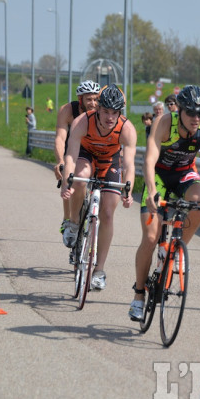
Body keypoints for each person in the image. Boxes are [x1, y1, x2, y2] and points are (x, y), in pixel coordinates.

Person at [128, 85, 200, 321]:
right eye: (192, 112)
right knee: (151, 238)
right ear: (180, 110)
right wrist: (152, 191)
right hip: (160, 177)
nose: (197, 118)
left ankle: (179, 249)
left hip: (184, 175)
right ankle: (139, 295)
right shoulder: (164, 123)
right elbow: (149, 161)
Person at [61, 84, 137, 291]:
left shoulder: (127, 129)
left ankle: (99, 270)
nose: (109, 117)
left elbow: (129, 164)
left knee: (108, 213)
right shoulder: (82, 122)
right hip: (86, 156)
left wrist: (127, 190)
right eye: (105, 111)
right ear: (97, 109)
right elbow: (70, 155)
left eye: (114, 113)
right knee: (80, 178)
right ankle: (74, 223)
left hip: (110, 161)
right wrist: (67, 180)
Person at [54, 80, 102, 238]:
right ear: (80, 99)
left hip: (93, 150)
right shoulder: (68, 110)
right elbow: (61, 138)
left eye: (96, 99)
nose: (93, 103)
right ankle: (67, 219)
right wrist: (60, 161)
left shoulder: (102, 111)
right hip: (74, 149)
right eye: (89, 99)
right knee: (68, 178)